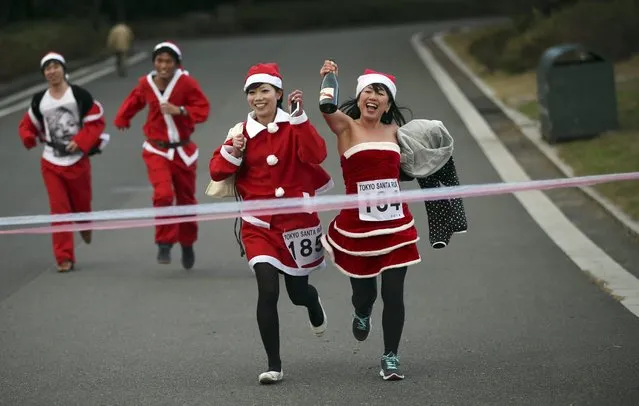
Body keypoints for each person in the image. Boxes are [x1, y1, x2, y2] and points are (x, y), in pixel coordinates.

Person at [209, 62, 333, 384]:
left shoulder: (294, 125)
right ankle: (274, 365)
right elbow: (216, 172)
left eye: (264, 90)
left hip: (296, 224)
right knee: (267, 288)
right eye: (252, 92)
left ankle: (312, 301)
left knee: (297, 292)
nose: (258, 98)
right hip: (257, 225)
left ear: (278, 93)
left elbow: (318, 154)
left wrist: (301, 119)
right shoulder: (240, 132)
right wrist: (233, 151)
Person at [318, 61, 421, 381]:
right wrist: (329, 77)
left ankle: (391, 355)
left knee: (393, 293)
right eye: (368, 91)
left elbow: (421, 164)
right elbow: (325, 104)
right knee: (366, 295)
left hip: (395, 226)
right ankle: (362, 311)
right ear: (360, 97)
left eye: (381, 92)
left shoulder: (397, 133)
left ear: (389, 103)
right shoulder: (345, 126)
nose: (373, 96)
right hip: (357, 227)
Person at [114, 41, 210, 269]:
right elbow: (134, 101)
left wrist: (182, 110)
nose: (163, 65)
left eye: (168, 61)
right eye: (159, 60)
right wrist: (123, 118)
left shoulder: (186, 83)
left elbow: (203, 109)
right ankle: (164, 242)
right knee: (164, 194)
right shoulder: (146, 83)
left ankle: (187, 244)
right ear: (154, 63)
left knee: (187, 200)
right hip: (156, 149)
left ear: (177, 64)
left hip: (183, 151)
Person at [18, 52, 107, 272]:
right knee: (59, 211)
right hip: (51, 162)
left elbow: (96, 122)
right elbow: (27, 125)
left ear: (63, 69)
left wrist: (81, 140)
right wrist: (28, 138)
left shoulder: (78, 95)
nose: (52, 71)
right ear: (44, 74)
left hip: (78, 160)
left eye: (55, 66)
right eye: (47, 68)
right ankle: (64, 257)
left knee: (82, 203)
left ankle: (85, 224)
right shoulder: (40, 100)